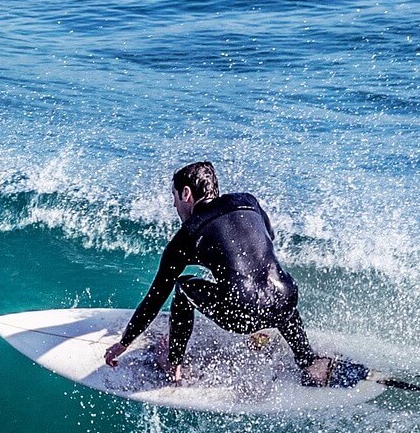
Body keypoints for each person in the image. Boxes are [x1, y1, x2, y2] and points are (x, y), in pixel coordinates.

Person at [103, 162, 335, 386]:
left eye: (174, 197)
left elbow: (155, 298)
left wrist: (124, 343)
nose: (174, 206)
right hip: (286, 300)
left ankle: (173, 363)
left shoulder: (188, 233)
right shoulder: (248, 201)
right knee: (271, 284)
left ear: (186, 193)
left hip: (243, 315)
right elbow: (268, 236)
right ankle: (309, 362)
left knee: (183, 287)